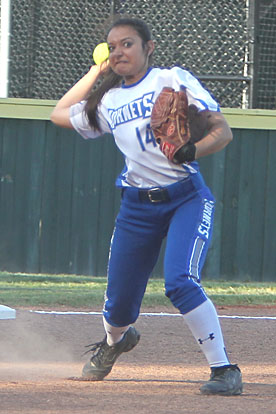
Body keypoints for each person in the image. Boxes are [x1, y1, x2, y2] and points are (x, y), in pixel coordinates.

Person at [51, 16, 243, 396]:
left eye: (128, 44)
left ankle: (225, 369)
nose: (120, 51)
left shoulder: (171, 80)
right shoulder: (107, 102)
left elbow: (223, 130)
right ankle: (115, 341)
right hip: (137, 207)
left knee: (180, 280)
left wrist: (193, 149)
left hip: (185, 196)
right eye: (113, 46)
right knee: (118, 306)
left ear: (148, 47)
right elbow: (58, 114)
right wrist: (95, 70)